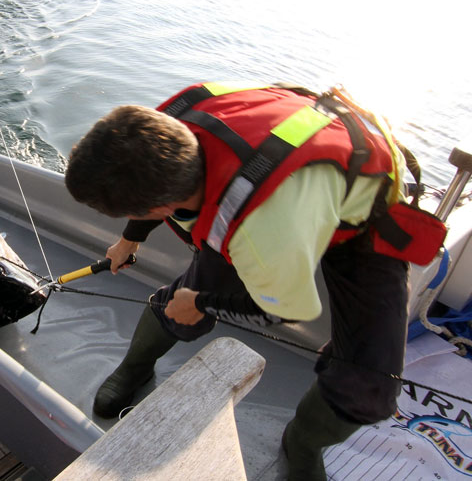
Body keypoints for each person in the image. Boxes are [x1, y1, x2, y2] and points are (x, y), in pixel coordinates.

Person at [64, 82, 413, 480]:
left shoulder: (261, 231)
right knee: (186, 295)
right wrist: (129, 239)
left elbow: (287, 310)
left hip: (362, 219)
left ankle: (301, 442)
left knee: (371, 384)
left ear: (163, 207)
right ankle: (136, 367)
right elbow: (148, 184)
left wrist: (199, 303)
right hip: (268, 186)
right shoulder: (170, 122)